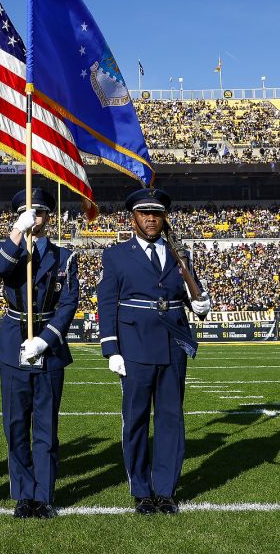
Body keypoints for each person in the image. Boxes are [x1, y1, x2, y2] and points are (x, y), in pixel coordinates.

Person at [98, 188, 212, 515]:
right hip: (133, 346)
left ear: (164, 217)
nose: (151, 219)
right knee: (135, 420)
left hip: (173, 344)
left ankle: (165, 490)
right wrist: (111, 348)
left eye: (157, 213)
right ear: (132, 217)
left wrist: (202, 304)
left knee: (170, 420)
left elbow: (194, 296)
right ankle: (141, 490)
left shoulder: (180, 254)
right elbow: (107, 303)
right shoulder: (116, 255)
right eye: (144, 213)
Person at [0, 188, 80, 519]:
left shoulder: (64, 257)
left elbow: (69, 302)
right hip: (14, 342)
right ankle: (23, 493)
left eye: (40, 212)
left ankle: (44, 495)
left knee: (45, 426)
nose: (36, 218)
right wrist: (16, 232)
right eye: (29, 212)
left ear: (48, 217)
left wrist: (46, 339)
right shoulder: (11, 250)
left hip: (49, 346)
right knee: (15, 425)